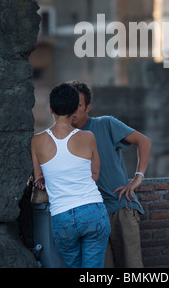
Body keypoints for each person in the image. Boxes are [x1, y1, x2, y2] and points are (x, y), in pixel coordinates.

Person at [68, 80, 152, 268]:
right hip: (90, 217)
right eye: (69, 104)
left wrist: (138, 178)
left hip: (120, 208)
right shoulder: (62, 137)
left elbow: (144, 142)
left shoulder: (105, 124)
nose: (73, 109)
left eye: (78, 105)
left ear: (87, 107)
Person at [31, 83, 110, 268]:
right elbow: (95, 174)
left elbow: (39, 179)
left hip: (62, 216)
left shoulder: (36, 141)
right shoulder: (88, 137)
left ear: (50, 108)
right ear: (75, 108)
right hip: (92, 210)